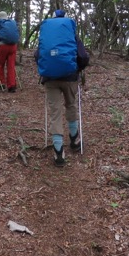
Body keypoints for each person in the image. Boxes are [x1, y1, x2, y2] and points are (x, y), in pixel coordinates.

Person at [36, 9, 90, 166]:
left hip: (50, 78)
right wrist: (78, 68)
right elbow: (83, 57)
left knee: (55, 112)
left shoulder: (46, 34)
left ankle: (58, 152)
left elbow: (37, 55)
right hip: (70, 77)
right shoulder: (71, 34)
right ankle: (74, 140)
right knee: (71, 105)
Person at [0, 11, 20, 93]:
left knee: (0, 65)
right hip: (13, 46)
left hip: (2, 46)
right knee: (11, 66)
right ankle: (12, 86)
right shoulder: (12, 23)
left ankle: (1, 84)